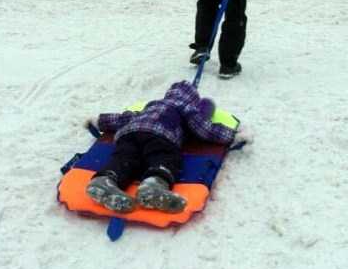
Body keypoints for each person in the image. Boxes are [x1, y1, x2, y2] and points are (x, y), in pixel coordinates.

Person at [85, 80, 237, 214]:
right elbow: (204, 129)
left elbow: (122, 118)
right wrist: (233, 136)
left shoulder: (151, 106)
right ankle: (153, 184)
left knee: (124, 158)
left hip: (128, 134)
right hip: (160, 136)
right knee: (163, 158)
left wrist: (99, 121)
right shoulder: (186, 108)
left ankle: (106, 179)